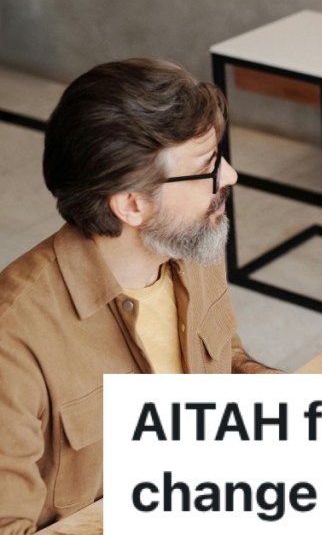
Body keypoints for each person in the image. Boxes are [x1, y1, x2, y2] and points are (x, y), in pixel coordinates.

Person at [0, 58, 281, 533]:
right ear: (132, 205)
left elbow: (221, 356)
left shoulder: (189, 245)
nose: (229, 177)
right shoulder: (14, 338)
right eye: (207, 167)